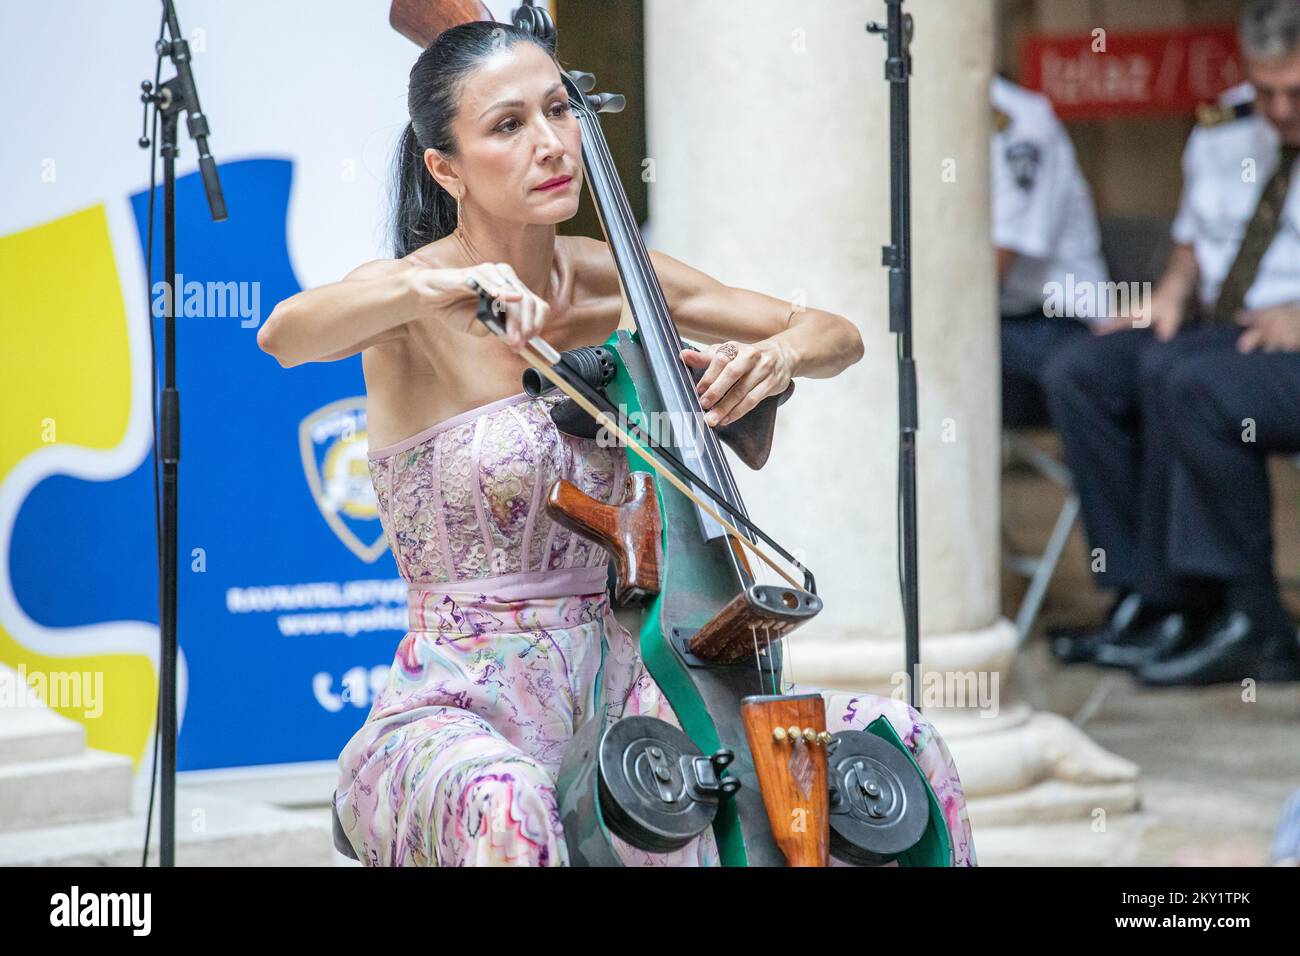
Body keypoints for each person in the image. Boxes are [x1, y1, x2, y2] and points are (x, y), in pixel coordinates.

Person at [257, 21, 975, 866]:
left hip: (640, 685)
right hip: (462, 702)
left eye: (560, 111)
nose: (553, 142)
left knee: (903, 745)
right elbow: (285, 335)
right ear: (444, 168)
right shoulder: (407, 305)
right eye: (509, 125)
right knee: (510, 800)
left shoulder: (610, 277)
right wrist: (438, 281)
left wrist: (776, 357)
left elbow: (835, 332)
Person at [1044, 0, 1300, 686]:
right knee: (1084, 371)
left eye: (1295, 94)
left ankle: (1252, 618)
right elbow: (1194, 243)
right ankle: (1149, 597)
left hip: (1285, 342)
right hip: (1222, 327)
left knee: (1192, 382)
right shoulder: (1225, 125)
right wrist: (1167, 296)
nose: (1278, 110)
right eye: (1267, 88)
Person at [993, 74, 1110, 427]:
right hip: (1000, 319)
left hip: (1057, 320)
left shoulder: (1018, 120)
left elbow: (995, 263)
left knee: (899, 345)